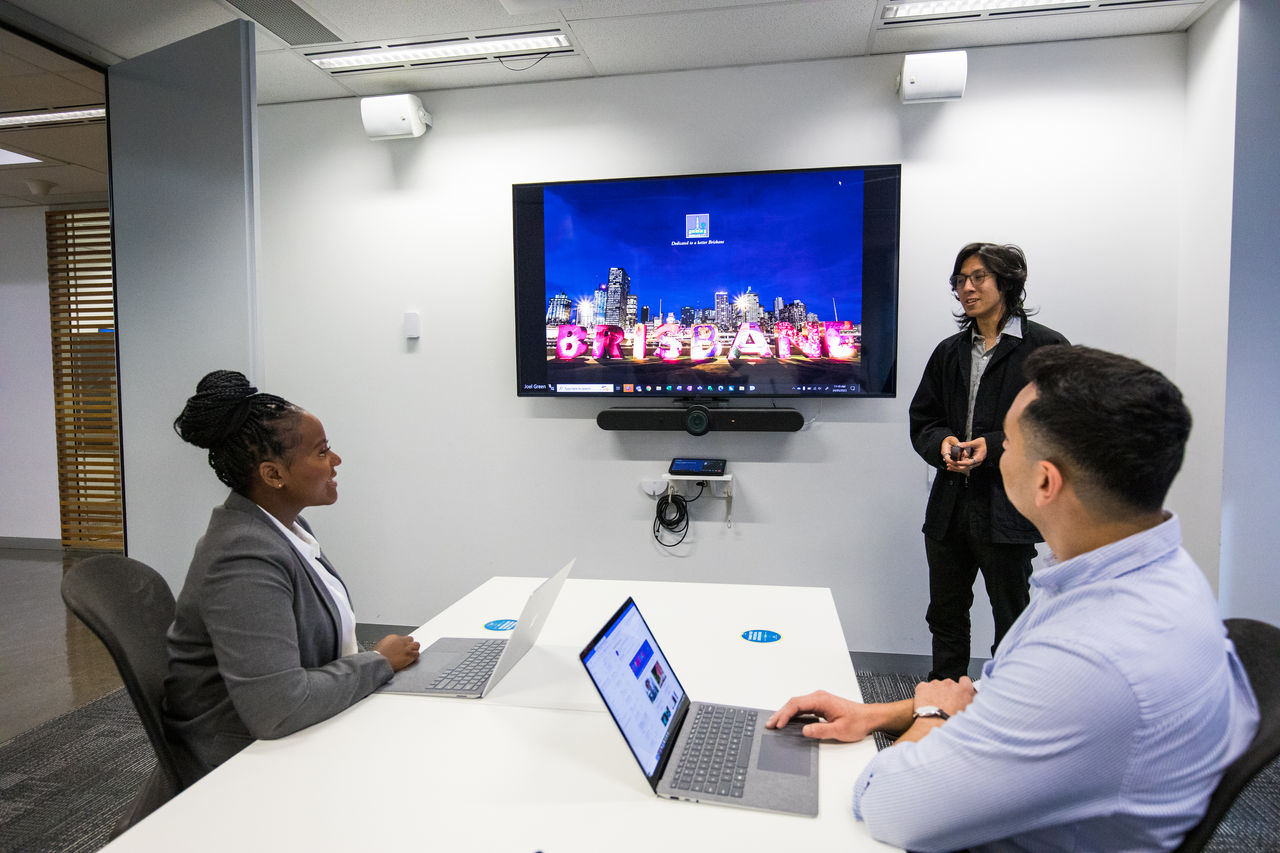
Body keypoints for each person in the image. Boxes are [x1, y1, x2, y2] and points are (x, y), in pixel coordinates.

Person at [769, 345, 1259, 852]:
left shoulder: (1094, 655)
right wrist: (882, 713)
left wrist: (931, 717)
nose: (998, 453)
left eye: (1010, 444)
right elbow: (1006, 697)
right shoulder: (1139, 571)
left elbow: (888, 805)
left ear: (1046, 481)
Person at [165, 369, 420, 783]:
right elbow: (278, 709)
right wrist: (377, 663)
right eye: (321, 453)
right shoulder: (242, 556)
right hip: (240, 765)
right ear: (273, 474)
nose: (335, 462)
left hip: (292, 735)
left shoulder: (286, 528)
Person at [909, 242, 1068, 680]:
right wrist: (942, 445)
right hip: (949, 508)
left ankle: (1007, 706)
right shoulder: (949, 351)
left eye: (978, 277)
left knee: (1012, 618)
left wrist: (993, 446)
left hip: (1008, 509)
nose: (967, 288)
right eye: (960, 280)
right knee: (944, 614)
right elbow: (923, 419)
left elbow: (1058, 424)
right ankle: (940, 705)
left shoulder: (1046, 348)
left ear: (1007, 281)